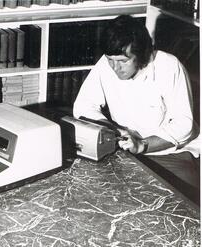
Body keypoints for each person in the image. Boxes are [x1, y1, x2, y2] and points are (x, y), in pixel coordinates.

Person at [73, 15, 200, 202]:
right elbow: (83, 106)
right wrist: (115, 130)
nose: (115, 68)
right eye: (110, 60)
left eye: (123, 61)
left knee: (182, 211)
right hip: (125, 151)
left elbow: (184, 125)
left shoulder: (169, 66)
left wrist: (142, 145)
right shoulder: (107, 64)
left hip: (171, 154)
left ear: (141, 55)